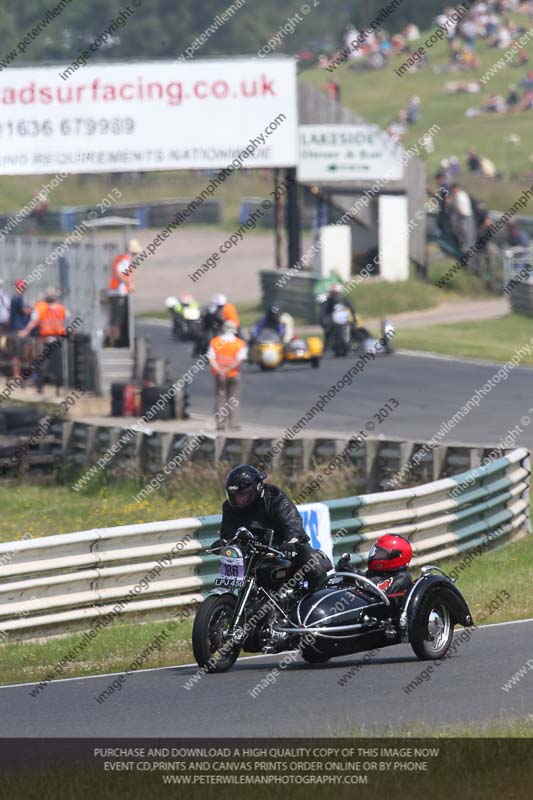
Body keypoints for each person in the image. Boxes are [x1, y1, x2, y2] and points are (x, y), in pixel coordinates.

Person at [212, 464, 332, 593]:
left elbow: (292, 521)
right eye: (235, 495)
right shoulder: (230, 507)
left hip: (283, 546)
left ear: (256, 488)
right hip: (253, 552)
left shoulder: (275, 498)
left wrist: (291, 541)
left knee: (313, 567)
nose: (239, 499)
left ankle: (320, 601)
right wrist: (224, 543)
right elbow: (228, 533)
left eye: (243, 495)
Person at [336, 533, 413, 604]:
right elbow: (368, 580)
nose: (376, 555)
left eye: (381, 553)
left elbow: (381, 596)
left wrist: (356, 579)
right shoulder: (378, 572)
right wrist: (349, 570)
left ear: (396, 557)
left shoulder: (403, 577)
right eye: (376, 551)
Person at [18, 287, 69, 393]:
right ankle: (56, 388)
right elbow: (67, 319)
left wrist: (25, 332)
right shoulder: (61, 308)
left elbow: (33, 322)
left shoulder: (40, 307)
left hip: (44, 339)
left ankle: (40, 387)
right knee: (57, 364)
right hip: (56, 339)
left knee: (41, 363)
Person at [208, 320, 247, 431]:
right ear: (235, 330)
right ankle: (234, 424)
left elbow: (211, 358)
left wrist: (220, 371)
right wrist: (227, 370)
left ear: (223, 329)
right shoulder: (240, 343)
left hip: (219, 375)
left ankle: (220, 424)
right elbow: (239, 360)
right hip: (234, 374)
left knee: (220, 398)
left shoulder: (215, 342)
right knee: (234, 399)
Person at [107, 239, 140, 347]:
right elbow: (119, 273)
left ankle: (118, 341)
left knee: (118, 318)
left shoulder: (124, 258)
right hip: (118, 293)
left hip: (118, 292)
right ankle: (114, 342)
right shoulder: (125, 259)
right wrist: (129, 284)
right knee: (117, 319)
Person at [319, 283, 357, 348]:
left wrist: (354, 319)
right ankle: (328, 344)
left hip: (344, 320)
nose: (335, 295)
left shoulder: (344, 300)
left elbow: (352, 309)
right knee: (328, 330)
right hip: (333, 321)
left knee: (353, 328)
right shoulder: (327, 302)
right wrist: (324, 322)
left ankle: (351, 341)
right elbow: (322, 313)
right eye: (333, 293)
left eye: (337, 293)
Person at [9, 280, 32, 380]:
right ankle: (17, 374)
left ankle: (20, 373)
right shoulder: (18, 298)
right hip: (19, 328)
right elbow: (24, 311)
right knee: (18, 352)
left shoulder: (17, 298)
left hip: (18, 327)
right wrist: (33, 308)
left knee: (21, 351)